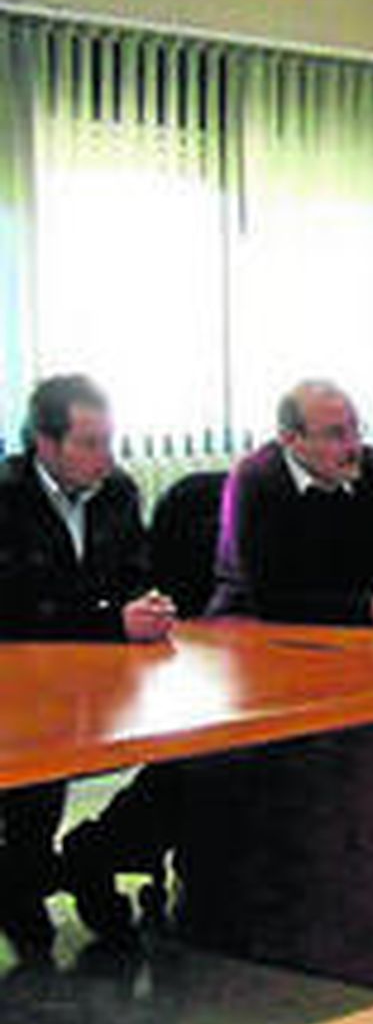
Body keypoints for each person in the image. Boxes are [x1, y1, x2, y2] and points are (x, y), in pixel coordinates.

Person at [0, 374, 176, 957]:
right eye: (91, 442)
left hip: (98, 678)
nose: (108, 457)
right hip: (18, 687)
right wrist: (110, 622)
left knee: (190, 757)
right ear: (45, 445)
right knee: (36, 771)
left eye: (109, 440)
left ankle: (93, 853)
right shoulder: (7, 496)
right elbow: (17, 609)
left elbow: (135, 572)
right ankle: (23, 882)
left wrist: (150, 604)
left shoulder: (119, 491)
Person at [209, 379, 373, 628]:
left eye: (356, 429)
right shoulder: (255, 481)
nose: (353, 447)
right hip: (257, 632)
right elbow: (266, 598)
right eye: (336, 434)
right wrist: (367, 608)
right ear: (289, 439)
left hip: (361, 631)